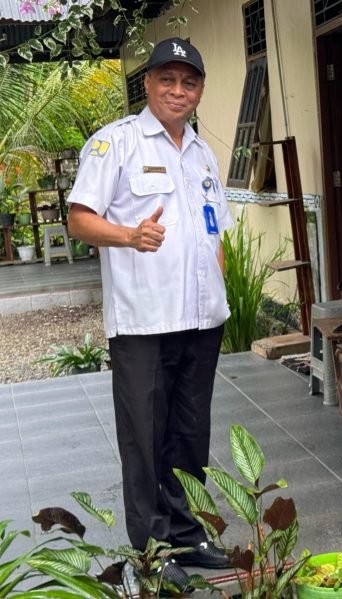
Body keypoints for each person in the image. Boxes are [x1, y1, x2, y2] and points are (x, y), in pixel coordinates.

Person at [67, 37, 232, 590]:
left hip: (202, 319)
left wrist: (221, 287)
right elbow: (79, 219)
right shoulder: (115, 144)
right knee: (144, 436)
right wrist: (128, 235)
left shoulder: (203, 152)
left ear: (199, 90)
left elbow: (217, 233)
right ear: (149, 84)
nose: (178, 91)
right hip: (143, 322)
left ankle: (188, 534)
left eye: (189, 82)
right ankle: (153, 548)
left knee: (189, 436)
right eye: (168, 80)